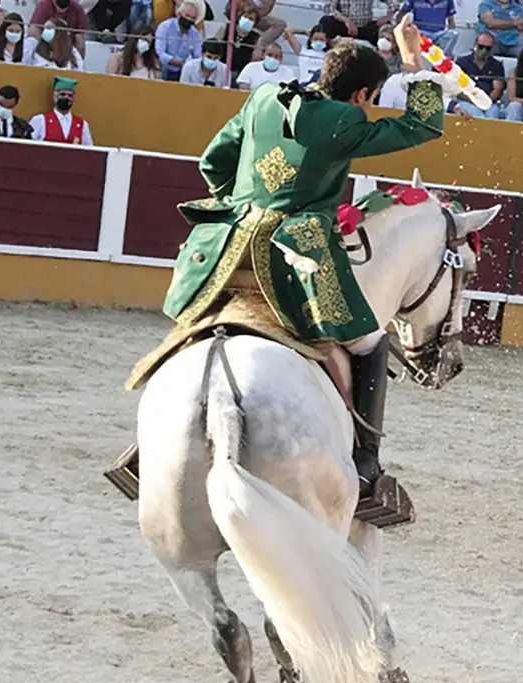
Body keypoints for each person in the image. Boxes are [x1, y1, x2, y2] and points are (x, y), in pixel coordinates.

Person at [110, 16, 449, 517]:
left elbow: (213, 163)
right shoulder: (346, 120)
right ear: (361, 95)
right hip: (298, 254)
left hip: (225, 252)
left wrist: (243, 205)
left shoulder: (263, 97)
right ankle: (366, 466)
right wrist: (414, 62)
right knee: (368, 340)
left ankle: (147, 448)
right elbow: (424, 124)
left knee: (199, 326)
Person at [29, 76, 93, 145]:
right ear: (54, 96)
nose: (66, 97)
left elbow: (89, 150)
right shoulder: (40, 120)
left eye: (70, 95)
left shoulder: (82, 125)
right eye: (62, 94)